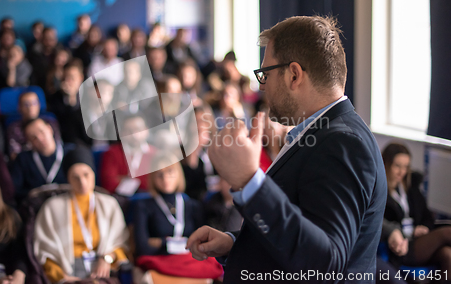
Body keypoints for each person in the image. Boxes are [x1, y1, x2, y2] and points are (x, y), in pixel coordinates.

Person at [187, 16, 387, 283]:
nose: (261, 86)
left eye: (265, 74)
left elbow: (325, 263)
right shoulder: (321, 132)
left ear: (294, 75)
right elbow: (302, 233)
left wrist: (249, 180)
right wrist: (236, 243)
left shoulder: (343, 142)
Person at [34, 146, 129, 283]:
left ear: (94, 174)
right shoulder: (52, 207)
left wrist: (107, 258)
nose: (82, 182)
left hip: (102, 270)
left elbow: (122, 242)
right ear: (68, 179)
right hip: (68, 271)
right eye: (75, 177)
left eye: (86, 175)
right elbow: (45, 251)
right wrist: (61, 277)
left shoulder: (109, 204)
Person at [133, 152, 222, 279]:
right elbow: (143, 248)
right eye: (160, 174)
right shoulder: (143, 206)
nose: (165, 178)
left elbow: (202, 245)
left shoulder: (193, 205)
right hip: (160, 264)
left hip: (190, 261)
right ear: (153, 177)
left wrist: (162, 242)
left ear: (178, 174)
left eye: (170, 172)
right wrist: (186, 243)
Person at [382, 143, 451, 272]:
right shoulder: (380, 193)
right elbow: (382, 225)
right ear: (386, 164)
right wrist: (409, 232)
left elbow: (427, 216)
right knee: (447, 232)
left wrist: (424, 228)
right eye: (397, 166)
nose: (402, 172)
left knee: (448, 255)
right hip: (402, 246)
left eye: (406, 167)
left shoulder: (411, 187)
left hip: (421, 241)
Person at [10, 118, 68, 203]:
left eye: (41, 131)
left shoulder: (70, 152)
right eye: (34, 138)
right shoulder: (23, 159)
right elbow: (16, 190)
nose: (40, 139)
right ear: (29, 142)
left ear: (49, 129)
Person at [100, 114, 157, 195]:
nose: (134, 135)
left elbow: (157, 184)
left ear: (146, 131)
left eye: (138, 130)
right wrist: (143, 181)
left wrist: (124, 180)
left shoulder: (155, 154)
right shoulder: (111, 153)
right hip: (121, 201)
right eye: (129, 131)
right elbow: (109, 184)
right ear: (122, 133)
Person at [48, 59, 92, 147]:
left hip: (87, 142)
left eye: (72, 78)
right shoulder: (54, 99)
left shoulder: (90, 97)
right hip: (65, 143)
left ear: (80, 78)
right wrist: (70, 100)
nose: (68, 82)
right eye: (65, 78)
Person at [6, 91, 60, 160]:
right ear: (19, 107)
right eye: (26, 104)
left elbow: (58, 146)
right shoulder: (13, 128)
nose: (30, 107)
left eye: (34, 103)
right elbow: (14, 155)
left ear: (39, 105)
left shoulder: (50, 122)